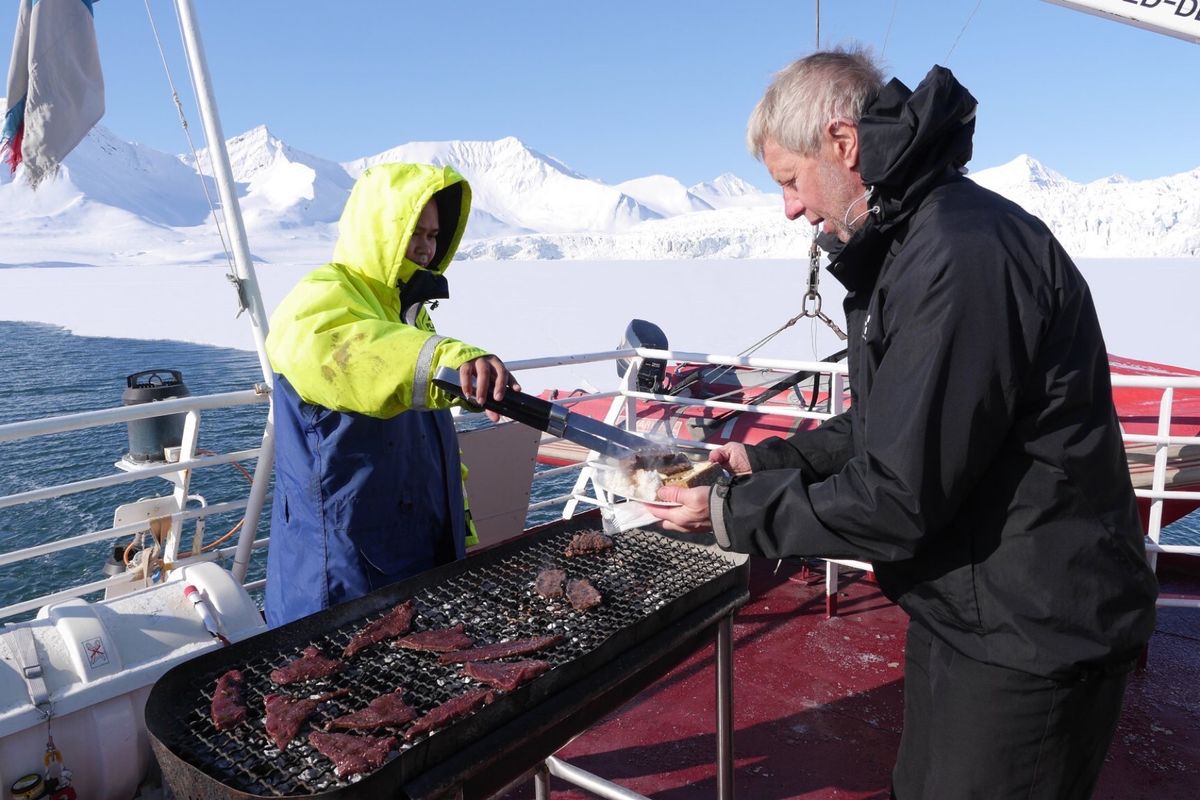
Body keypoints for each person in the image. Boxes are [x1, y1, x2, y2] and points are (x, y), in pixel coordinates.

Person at [647, 49, 1158, 799]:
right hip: (975, 608)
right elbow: (884, 427)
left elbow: (900, 495)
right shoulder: (919, 239)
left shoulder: (959, 253)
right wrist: (766, 464)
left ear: (844, 145)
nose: (790, 207)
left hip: (1034, 629)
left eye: (790, 180)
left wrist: (727, 512)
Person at [264, 162, 517, 628]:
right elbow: (356, 354)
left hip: (412, 547)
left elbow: (426, 437)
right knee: (333, 681)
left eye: (435, 235)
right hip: (345, 564)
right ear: (381, 230)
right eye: (415, 232)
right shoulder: (322, 299)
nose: (425, 247)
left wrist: (458, 522)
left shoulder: (408, 313)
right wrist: (449, 359)